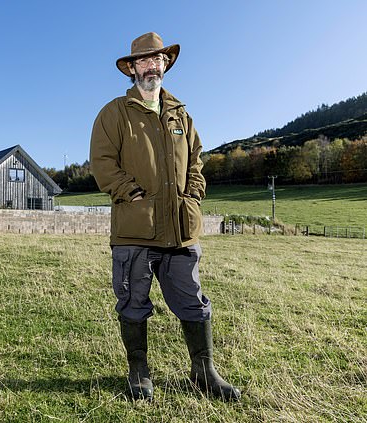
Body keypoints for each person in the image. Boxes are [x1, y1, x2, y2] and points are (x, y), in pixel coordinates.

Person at [89, 32, 241, 402]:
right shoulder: (114, 113)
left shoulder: (180, 114)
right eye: (143, 61)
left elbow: (197, 160)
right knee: (133, 301)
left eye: (157, 60)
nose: (151, 66)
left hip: (180, 230)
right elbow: (103, 163)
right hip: (135, 230)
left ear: (165, 65)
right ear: (132, 69)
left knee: (192, 300)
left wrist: (194, 193)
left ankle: (203, 371)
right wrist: (131, 193)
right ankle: (139, 371)